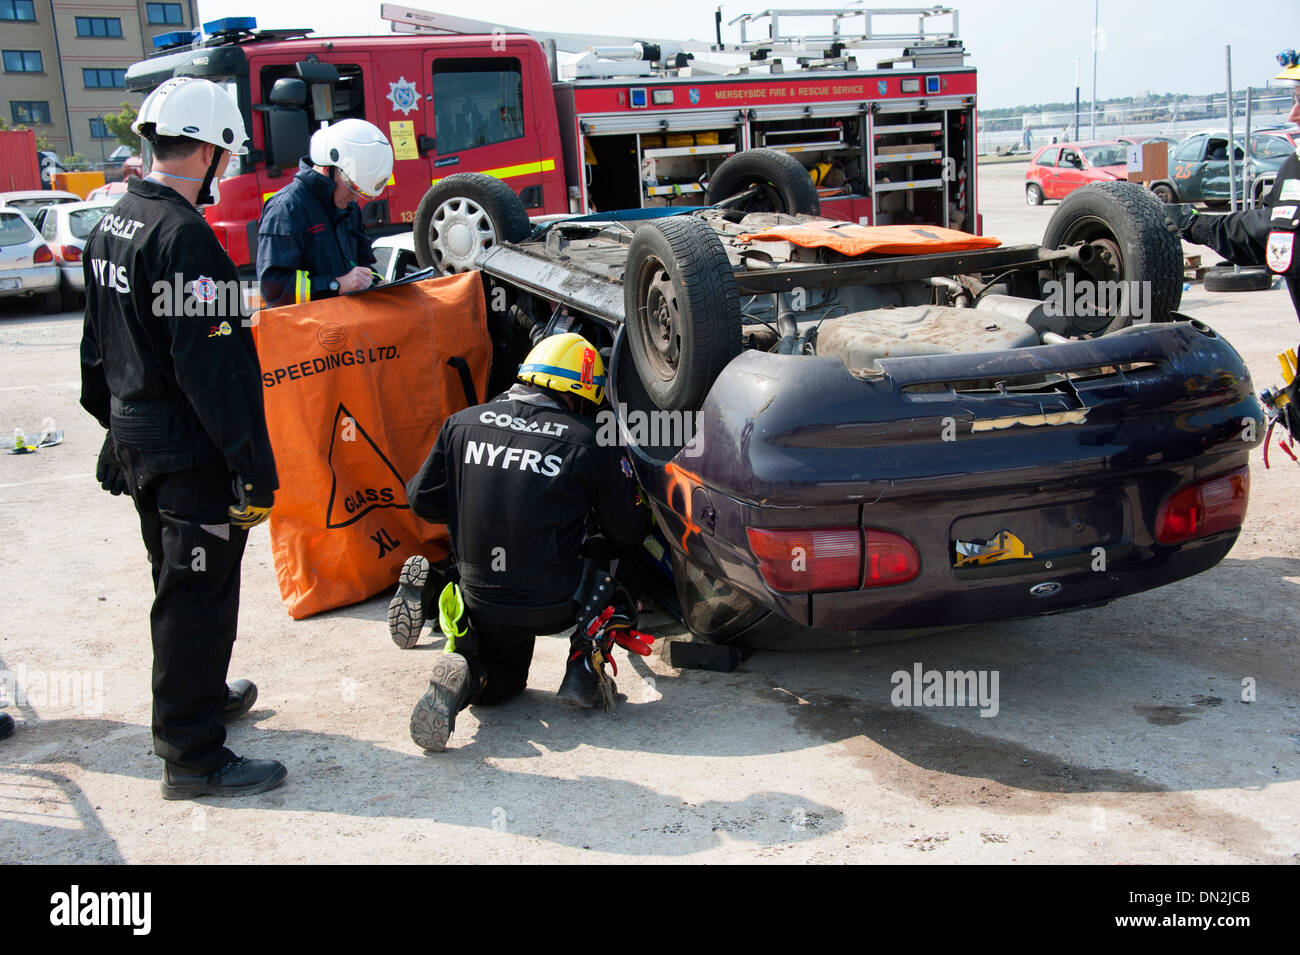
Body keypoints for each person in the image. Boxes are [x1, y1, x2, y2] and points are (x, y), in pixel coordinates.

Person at [80, 77, 285, 799]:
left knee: (179, 580)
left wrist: (112, 428)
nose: (225, 171)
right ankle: (192, 754)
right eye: (226, 155)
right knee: (194, 595)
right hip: (188, 448)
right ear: (208, 152)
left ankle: (201, 694)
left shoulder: (116, 219)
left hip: (143, 441)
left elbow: (97, 341)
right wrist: (253, 468)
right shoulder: (187, 238)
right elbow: (218, 369)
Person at [397, 332, 650, 751]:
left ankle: (466, 672)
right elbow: (630, 529)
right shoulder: (590, 440)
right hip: (554, 602)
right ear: (580, 393)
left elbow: (423, 502)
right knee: (622, 564)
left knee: (502, 685)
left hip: (481, 597)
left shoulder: (461, 422)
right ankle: (583, 665)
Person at [1164, 50, 1300, 323]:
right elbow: (1271, 232)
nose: (1293, 115)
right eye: (1295, 100)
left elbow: (1265, 232)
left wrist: (1195, 225)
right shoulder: (1294, 166)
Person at [257, 118, 393, 308]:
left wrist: (376, 283)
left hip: (346, 327)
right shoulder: (286, 209)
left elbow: (359, 268)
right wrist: (335, 284)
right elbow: (274, 289)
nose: (356, 198)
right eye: (353, 187)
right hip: (307, 332)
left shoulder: (348, 208)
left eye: (361, 193)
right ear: (328, 168)